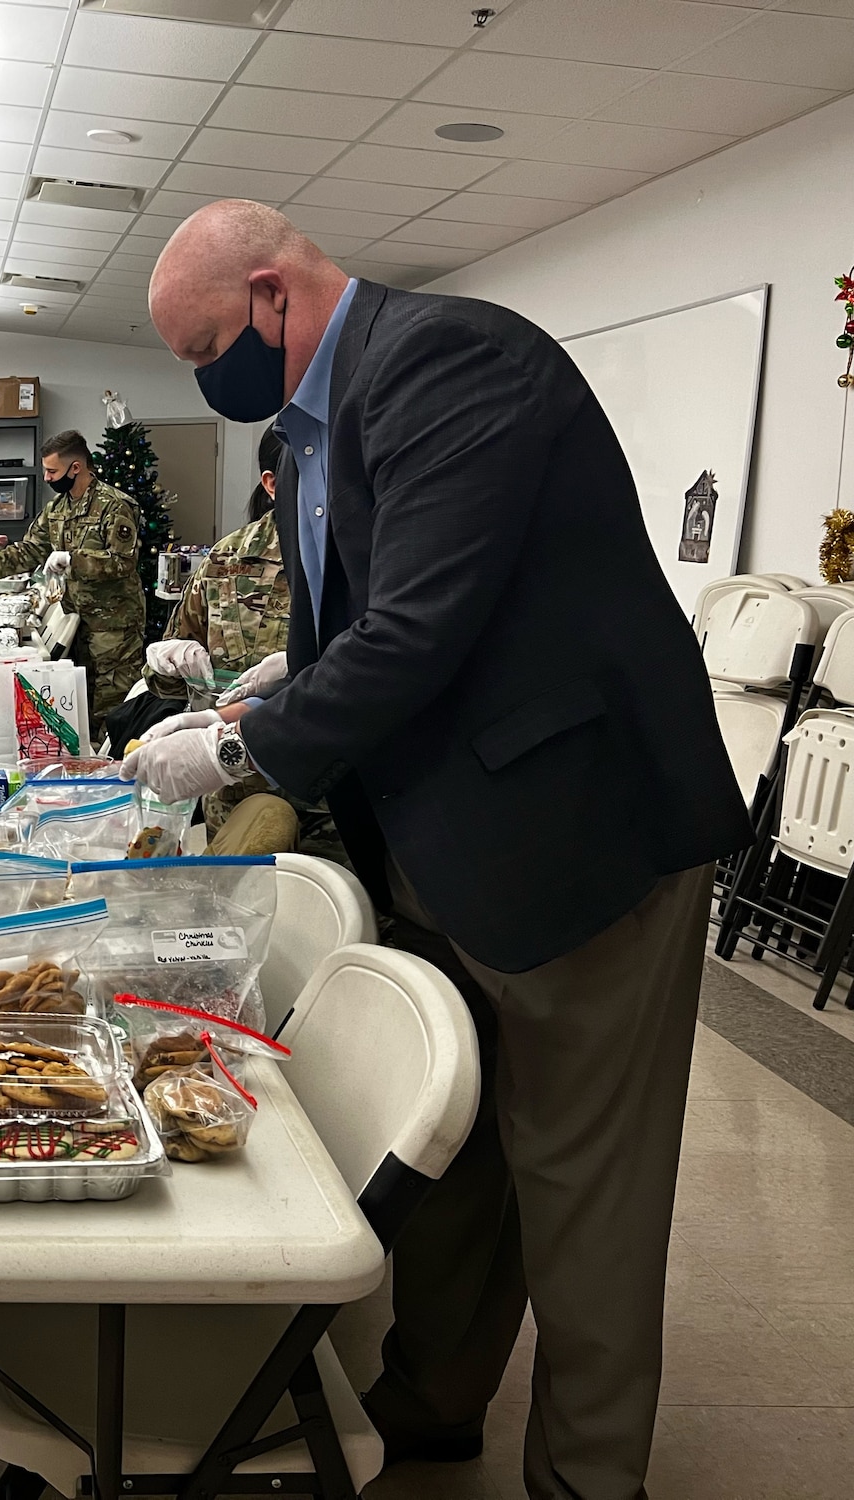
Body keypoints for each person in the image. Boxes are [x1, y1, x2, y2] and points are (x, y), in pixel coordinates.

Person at [132, 199, 751, 1500]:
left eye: (207, 349)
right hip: (446, 848)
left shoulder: (449, 361)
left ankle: (588, 1479)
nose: (206, 379)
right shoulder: (313, 433)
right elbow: (356, 636)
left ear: (270, 292)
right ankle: (434, 1395)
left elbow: (417, 627)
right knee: (459, 1159)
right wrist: (252, 699)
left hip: (581, 851)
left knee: (582, 1190)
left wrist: (240, 756)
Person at [135, 428, 343, 861]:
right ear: (273, 484)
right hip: (234, 794)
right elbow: (166, 681)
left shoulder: (352, 554)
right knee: (237, 915)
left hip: (333, 801)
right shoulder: (227, 561)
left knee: (342, 914)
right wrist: (168, 663)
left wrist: (307, 665)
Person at [0, 431, 144, 721]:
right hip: (77, 621)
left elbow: (122, 561)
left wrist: (72, 559)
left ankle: (118, 764)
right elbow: (32, 548)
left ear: (75, 467)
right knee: (81, 705)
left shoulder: (114, 505)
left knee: (112, 708)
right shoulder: (57, 508)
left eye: (53, 471)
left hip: (114, 627)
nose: (49, 478)